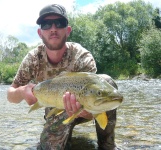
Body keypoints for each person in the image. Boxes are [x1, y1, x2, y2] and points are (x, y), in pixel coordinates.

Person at [7, 4, 118, 150]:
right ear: (40, 33)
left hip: (83, 108)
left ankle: (107, 146)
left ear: (68, 30)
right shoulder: (33, 59)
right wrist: (22, 92)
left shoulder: (82, 56)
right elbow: (10, 95)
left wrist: (83, 111)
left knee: (107, 82)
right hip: (54, 111)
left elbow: (92, 108)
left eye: (59, 23)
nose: (53, 28)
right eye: (46, 24)